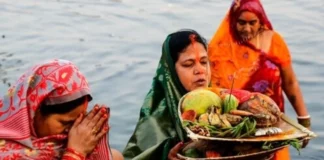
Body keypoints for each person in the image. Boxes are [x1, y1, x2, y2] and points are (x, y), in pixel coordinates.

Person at [208, 0, 311, 159]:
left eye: (252, 23)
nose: (247, 28)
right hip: (236, 132)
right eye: (241, 22)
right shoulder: (219, 48)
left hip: (272, 128)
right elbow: (212, 92)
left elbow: (290, 83)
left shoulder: (274, 42)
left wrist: (303, 120)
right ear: (233, 20)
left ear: (261, 21)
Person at [0, 59, 123, 160]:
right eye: (65, 123)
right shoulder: (7, 153)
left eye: (77, 120)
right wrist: (76, 152)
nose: (72, 130)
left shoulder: (53, 146)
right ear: (34, 113)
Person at [122, 29, 211, 160]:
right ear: (170, 72)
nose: (200, 70)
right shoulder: (155, 125)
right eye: (188, 64)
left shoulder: (223, 108)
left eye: (204, 62)